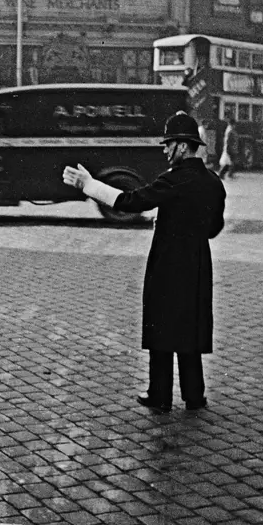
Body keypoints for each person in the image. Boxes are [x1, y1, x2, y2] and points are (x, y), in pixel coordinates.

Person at [63, 110, 226, 413]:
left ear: (181, 146)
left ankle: (160, 395)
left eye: (168, 145)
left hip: (168, 264)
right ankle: (194, 395)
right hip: (199, 263)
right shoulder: (213, 183)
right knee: (189, 329)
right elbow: (214, 229)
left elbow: (130, 202)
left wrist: (89, 185)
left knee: (162, 328)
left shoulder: (172, 181)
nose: (164, 151)